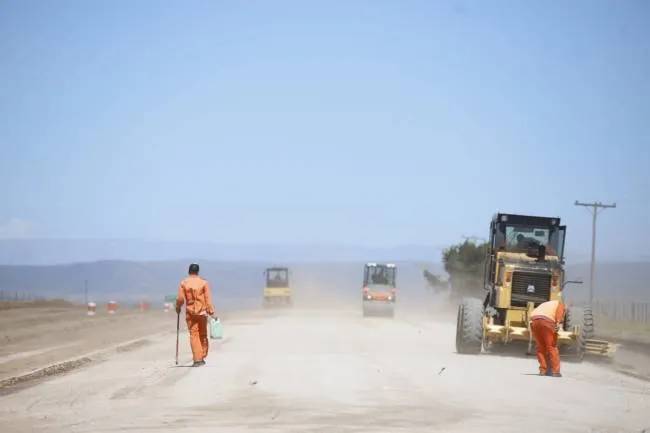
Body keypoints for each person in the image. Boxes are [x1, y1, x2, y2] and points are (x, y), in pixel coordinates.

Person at [176, 263, 216, 367]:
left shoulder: (184, 283)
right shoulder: (204, 283)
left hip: (190, 313)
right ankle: (202, 356)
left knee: (194, 335)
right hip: (202, 312)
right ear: (198, 272)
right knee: (202, 334)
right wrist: (211, 312)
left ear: (189, 271)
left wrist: (178, 307)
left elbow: (180, 299)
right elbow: (208, 298)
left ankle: (197, 359)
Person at [530, 299, 566, 377]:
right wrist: (558, 324)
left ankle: (543, 370)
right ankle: (555, 372)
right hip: (547, 322)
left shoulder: (545, 304)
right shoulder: (560, 304)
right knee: (551, 346)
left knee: (540, 347)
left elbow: (533, 313)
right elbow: (559, 315)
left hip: (534, 322)